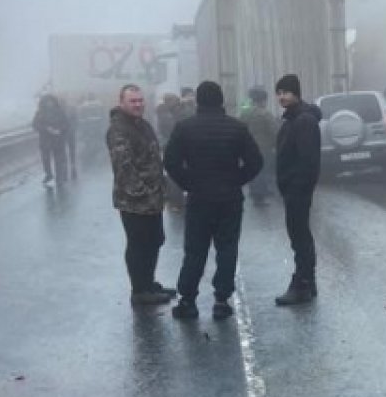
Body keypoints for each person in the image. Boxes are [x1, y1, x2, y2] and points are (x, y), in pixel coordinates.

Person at [164, 81, 263, 320]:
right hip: (229, 198)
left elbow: (170, 162)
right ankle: (221, 299)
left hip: (199, 197)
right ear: (221, 101)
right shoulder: (237, 128)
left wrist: (189, 183)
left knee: (195, 250)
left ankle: (187, 300)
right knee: (227, 248)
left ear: (198, 101)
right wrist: (237, 180)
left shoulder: (184, 128)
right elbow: (256, 162)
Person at [106, 84, 176, 305]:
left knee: (154, 240)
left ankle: (149, 282)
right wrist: (142, 193)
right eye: (132, 101)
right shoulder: (119, 129)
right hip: (134, 200)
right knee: (139, 243)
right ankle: (140, 290)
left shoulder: (142, 125)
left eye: (140, 100)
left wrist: (161, 188)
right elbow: (124, 166)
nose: (138, 104)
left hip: (153, 197)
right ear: (122, 102)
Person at [273, 74, 323, 305]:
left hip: (297, 190)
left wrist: (296, 187)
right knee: (300, 235)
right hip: (293, 188)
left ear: (296, 93)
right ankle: (308, 282)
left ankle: (302, 284)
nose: (281, 97)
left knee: (299, 236)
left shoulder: (303, 121)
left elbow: (308, 160)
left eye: (286, 92)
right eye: (279, 92)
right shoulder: (294, 119)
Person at [241, 87, 278, 205]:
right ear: (262, 100)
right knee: (262, 171)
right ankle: (259, 196)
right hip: (263, 147)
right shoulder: (265, 113)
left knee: (253, 170)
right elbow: (274, 131)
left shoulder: (245, 113)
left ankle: (255, 191)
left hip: (248, 147)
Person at [32, 93, 69, 186]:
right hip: (45, 141)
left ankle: (59, 177)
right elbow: (35, 125)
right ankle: (48, 174)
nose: (49, 104)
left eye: (51, 101)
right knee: (45, 160)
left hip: (58, 140)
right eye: (47, 102)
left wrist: (59, 130)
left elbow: (66, 124)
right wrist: (46, 129)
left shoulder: (60, 112)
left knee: (58, 160)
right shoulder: (40, 113)